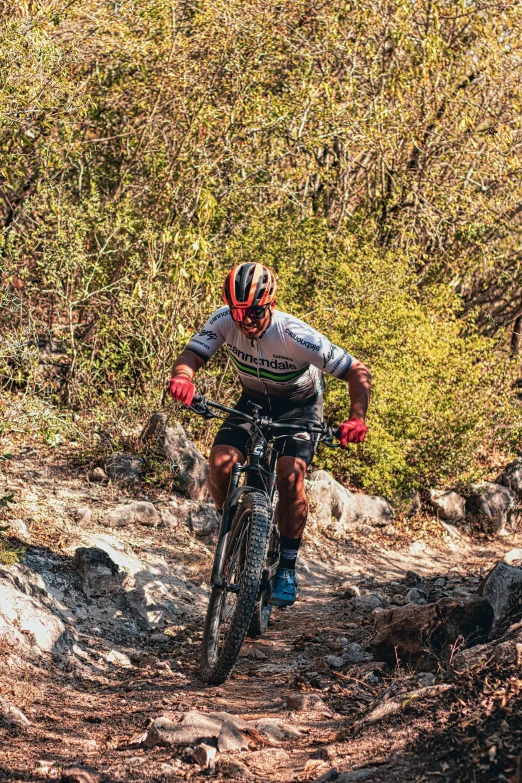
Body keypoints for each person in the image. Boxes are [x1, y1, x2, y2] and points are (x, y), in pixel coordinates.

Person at [169, 262, 371, 607]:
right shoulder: (223, 321)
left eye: (254, 312)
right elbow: (191, 356)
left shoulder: (295, 334)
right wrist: (183, 377)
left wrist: (357, 418)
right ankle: (232, 528)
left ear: (270, 304)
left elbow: (357, 370)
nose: (245, 321)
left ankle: (287, 567)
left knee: (290, 476)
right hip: (253, 400)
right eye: (238, 312)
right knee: (220, 462)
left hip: (300, 406)